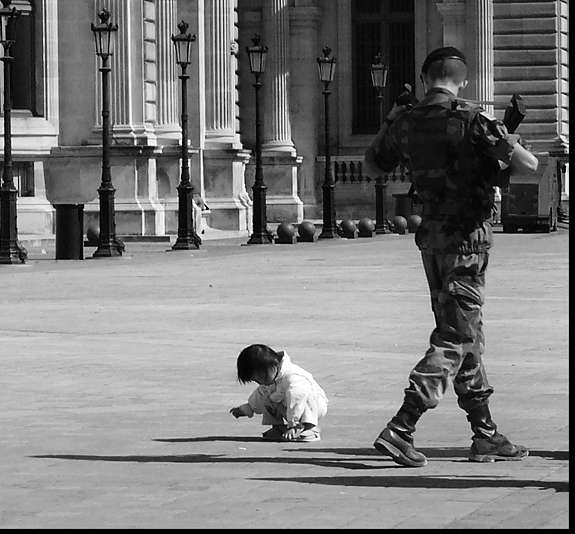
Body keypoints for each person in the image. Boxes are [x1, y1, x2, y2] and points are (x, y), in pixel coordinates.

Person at [364, 46, 539, 467]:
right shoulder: (472, 118)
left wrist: (391, 117)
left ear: (426, 79)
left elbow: (373, 165)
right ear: (462, 79)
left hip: (432, 241)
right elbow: (528, 166)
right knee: (456, 338)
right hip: (468, 241)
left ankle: (486, 433)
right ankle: (401, 427)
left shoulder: (406, 120)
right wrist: (503, 137)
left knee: (465, 335)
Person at [230, 344, 328, 442]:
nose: (262, 383)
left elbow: (296, 399)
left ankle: (309, 428)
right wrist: (247, 409)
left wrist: (293, 424)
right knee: (267, 397)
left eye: (264, 378)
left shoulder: (293, 376)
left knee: (304, 395)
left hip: (312, 406)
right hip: (290, 408)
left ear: (275, 365)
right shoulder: (270, 380)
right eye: (257, 381)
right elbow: (259, 395)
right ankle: (278, 427)